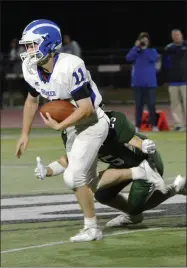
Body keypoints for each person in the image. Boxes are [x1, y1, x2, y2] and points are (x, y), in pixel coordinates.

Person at [15, 19, 110, 242]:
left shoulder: (71, 65)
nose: (28, 50)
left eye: (32, 45)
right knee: (89, 181)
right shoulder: (31, 67)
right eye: (26, 45)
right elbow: (31, 101)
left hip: (93, 122)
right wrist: (25, 133)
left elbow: (86, 108)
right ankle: (139, 186)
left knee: (74, 177)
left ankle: (92, 228)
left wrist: (59, 125)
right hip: (72, 125)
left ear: (48, 43)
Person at [35, 110, 186, 226]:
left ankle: (175, 188)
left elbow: (133, 140)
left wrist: (143, 145)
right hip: (122, 164)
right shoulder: (73, 134)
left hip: (144, 162)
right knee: (102, 195)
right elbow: (69, 160)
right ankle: (132, 214)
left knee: (135, 207)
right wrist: (47, 170)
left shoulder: (111, 122)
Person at [126, 32, 159, 132]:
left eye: (146, 40)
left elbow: (153, 58)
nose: (144, 42)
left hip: (150, 84)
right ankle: (137, 126)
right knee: (139, 105)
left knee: (151, 105)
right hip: (137, 83)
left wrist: (144, 49)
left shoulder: (152, 51)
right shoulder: (136, 51)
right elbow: (128, 58)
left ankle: (154, 125)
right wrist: (136, 47)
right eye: (142, 40)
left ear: (149, 41)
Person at [162, 29, 187, 131]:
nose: (176, 37)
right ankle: (179, 124)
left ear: (182, 35)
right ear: (172, 37)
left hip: (186, 80)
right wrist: (165, 79)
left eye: (178, 35)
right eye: (174, 35)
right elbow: (165, 65)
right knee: (175, 104)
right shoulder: (168, 48)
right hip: (173, 81)